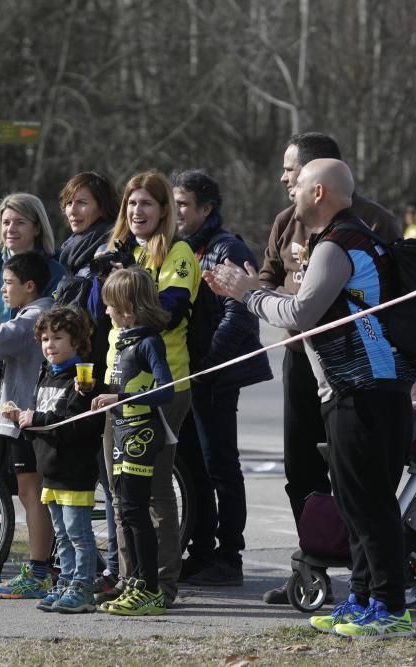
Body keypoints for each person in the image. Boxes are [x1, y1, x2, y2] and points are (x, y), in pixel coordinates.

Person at [207, 158, 416, 639]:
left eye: (298, 183)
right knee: (355, 501)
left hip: (366, 390)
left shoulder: (339, 243)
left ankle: (390, 607)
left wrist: (247, 294)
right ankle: (362, 599)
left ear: (319, 192)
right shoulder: (345, 238)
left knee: (369, 503)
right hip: (355, 390)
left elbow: (302, 312)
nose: (291, 190)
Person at [257, 131, 398, 604]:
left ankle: (376, 595)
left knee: (358, 483)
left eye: (291, 172)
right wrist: (280, 299)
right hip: (306, 361)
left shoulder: (361, 229)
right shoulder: (288, 222)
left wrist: (259, 298)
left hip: (358, 371)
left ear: (317, 181)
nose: (284, 180)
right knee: (302, 469)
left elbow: (307, 308)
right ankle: (314, 565)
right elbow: (275, 284)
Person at [90, 170, 200, 608]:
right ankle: (129, 576)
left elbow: (168, 313)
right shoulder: (118, 250)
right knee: (120, 490)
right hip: (116, 387)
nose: (137, 212)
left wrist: (131, 278)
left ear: (163, 211)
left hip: (160, 388)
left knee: (153, 490)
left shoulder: (179, 251)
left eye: (147, 205)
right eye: (131, 205)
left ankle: (162, 584)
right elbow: (98, 313)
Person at [170, 169, 271, 587]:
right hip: (187, 375)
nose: (175, 212)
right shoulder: (179, 249)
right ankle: (201, 551)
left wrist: (208, 362)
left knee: (220, 467)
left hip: (214, 376)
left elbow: (241, 311)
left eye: (182, 205)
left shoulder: (226, 248)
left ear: (206, 209)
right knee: (192, 467)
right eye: (172, 203)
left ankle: (229, 556)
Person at [4, 306, 104, 613]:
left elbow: (76, 424)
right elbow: (39, 425)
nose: (50, 345)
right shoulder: (46, 374)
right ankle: (65, 582)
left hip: (74, 470)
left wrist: (37, 418)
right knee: (61, 535)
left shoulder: (83, 377)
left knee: (78, 534)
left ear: (76, 342)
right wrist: (22, 419)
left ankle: (83, 588)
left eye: (58, 338)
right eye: (45, 339)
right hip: (50, 471)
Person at [90, 268, 175, 616]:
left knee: (137, 510)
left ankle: (151, 589)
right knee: (123, 508)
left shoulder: (148, 341)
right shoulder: (122, 338)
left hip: (142, 430)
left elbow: (166, 390)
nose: (106, 311)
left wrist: (120, 398)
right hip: (122, 430)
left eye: (111, 305)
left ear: (128, 307)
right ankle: (135, 581)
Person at [0, 252, 55, 598]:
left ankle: (39, 571)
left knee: (31, 492)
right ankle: (42, 565)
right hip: (24, 414)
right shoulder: (28, 314)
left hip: (29, 416)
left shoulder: (33, 316)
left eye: (8, 283)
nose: (3, 290)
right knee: (30, 491)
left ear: (30, 286)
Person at [55, 171, 121, 586]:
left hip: (100, 370)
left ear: (101, 207)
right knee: (73, 473)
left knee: (108, 478)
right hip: (72, 373)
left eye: (81, 203)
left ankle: (116, 568)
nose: (72, 211)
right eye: (68, 203)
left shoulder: (108, 248)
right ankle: (80, 567)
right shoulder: (67, 253)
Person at [0, 193, 66, 344]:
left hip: (29, 364)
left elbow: (61, 326)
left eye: (20, 222)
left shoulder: (55, 271)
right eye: (6, 222)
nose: (11, 229)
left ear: (37, 228)